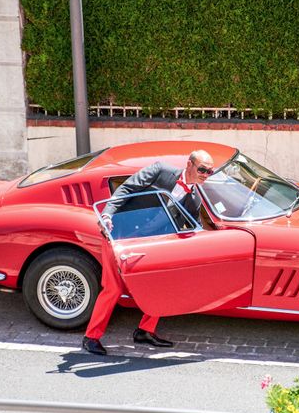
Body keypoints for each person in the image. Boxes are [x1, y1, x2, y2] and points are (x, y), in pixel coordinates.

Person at [82, 150, 215, 355]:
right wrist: (107, 214)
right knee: (113, 289)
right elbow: (126, 188)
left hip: (149, 245)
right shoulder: (160, 170)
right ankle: (91, 337)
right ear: (189, 164)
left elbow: (193, 227)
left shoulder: (195, 199)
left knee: (161, 285)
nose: (206, 174)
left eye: (210, 172)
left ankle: (145, 331)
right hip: (119, 233)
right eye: (203, 169)